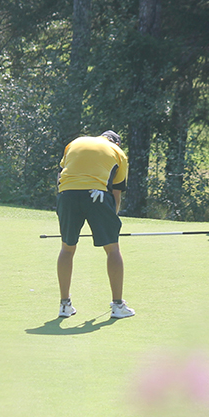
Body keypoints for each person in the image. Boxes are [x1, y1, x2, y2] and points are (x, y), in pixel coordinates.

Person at [55, 130, 135, 319]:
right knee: (112, 250)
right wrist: (110, 224)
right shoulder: (118, 153)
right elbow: (116, 193)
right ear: (116, 143)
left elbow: (61, 175)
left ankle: (64, 305)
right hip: (97, 195)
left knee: (67, 249)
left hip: (66, 195)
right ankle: (117, 306)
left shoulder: (74, 142)